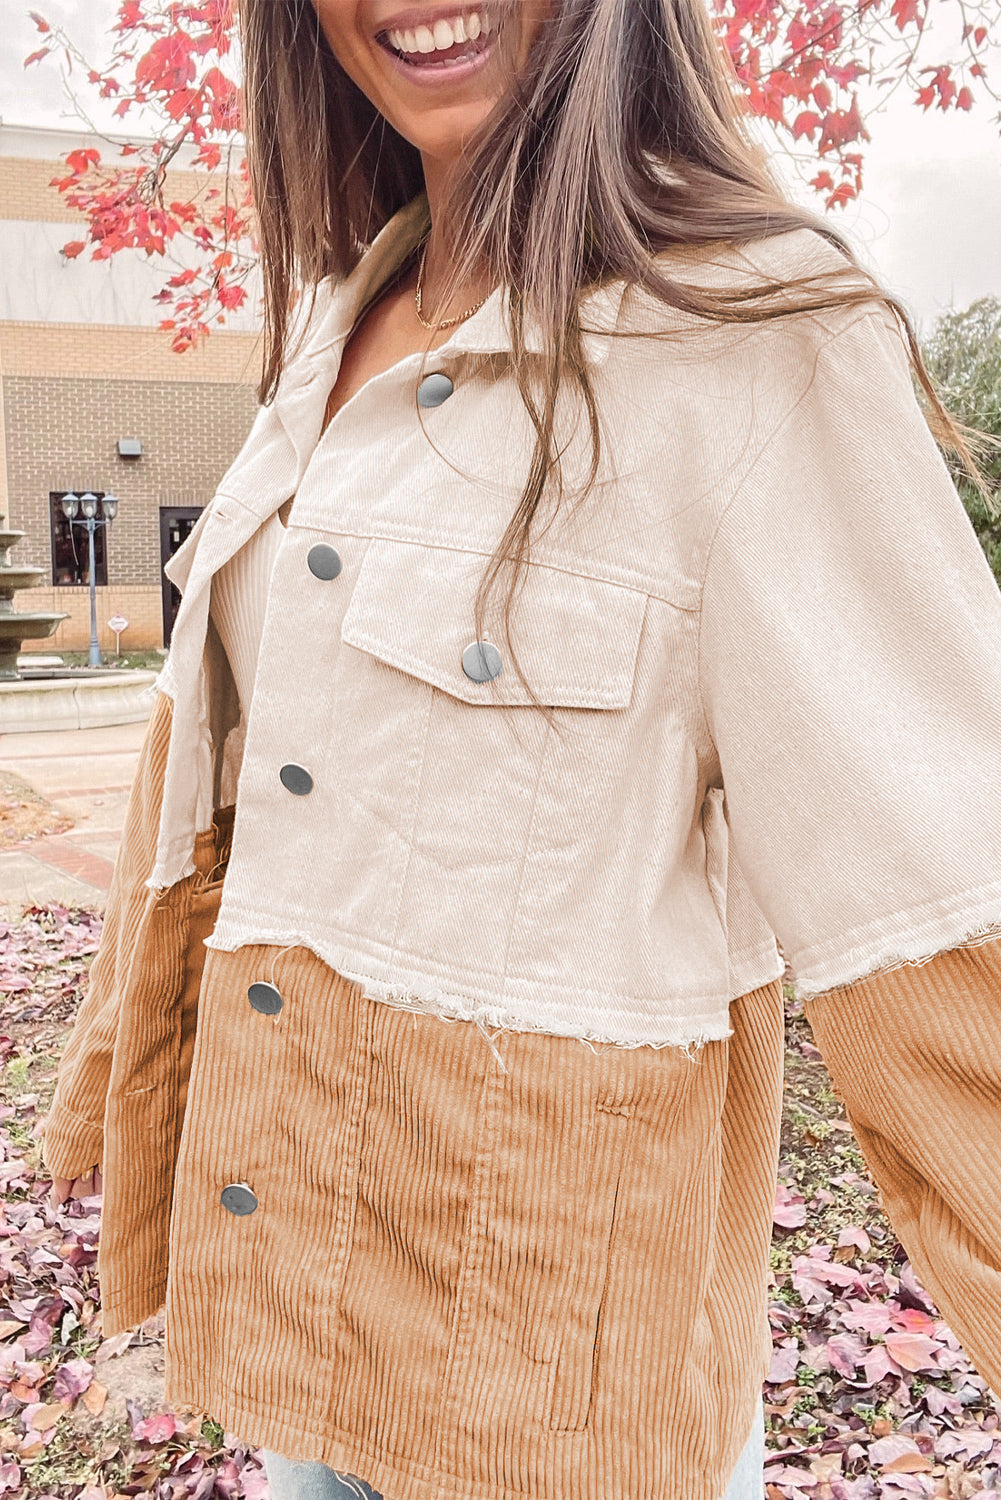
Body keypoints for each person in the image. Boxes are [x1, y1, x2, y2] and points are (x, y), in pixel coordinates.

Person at [42, 3, 1001, 1500]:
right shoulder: (340, 309)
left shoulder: (759, 340)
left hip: (554, 1411)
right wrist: (121, 1068)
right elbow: (220, 759)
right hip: (303, 1327)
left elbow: (941, 910)